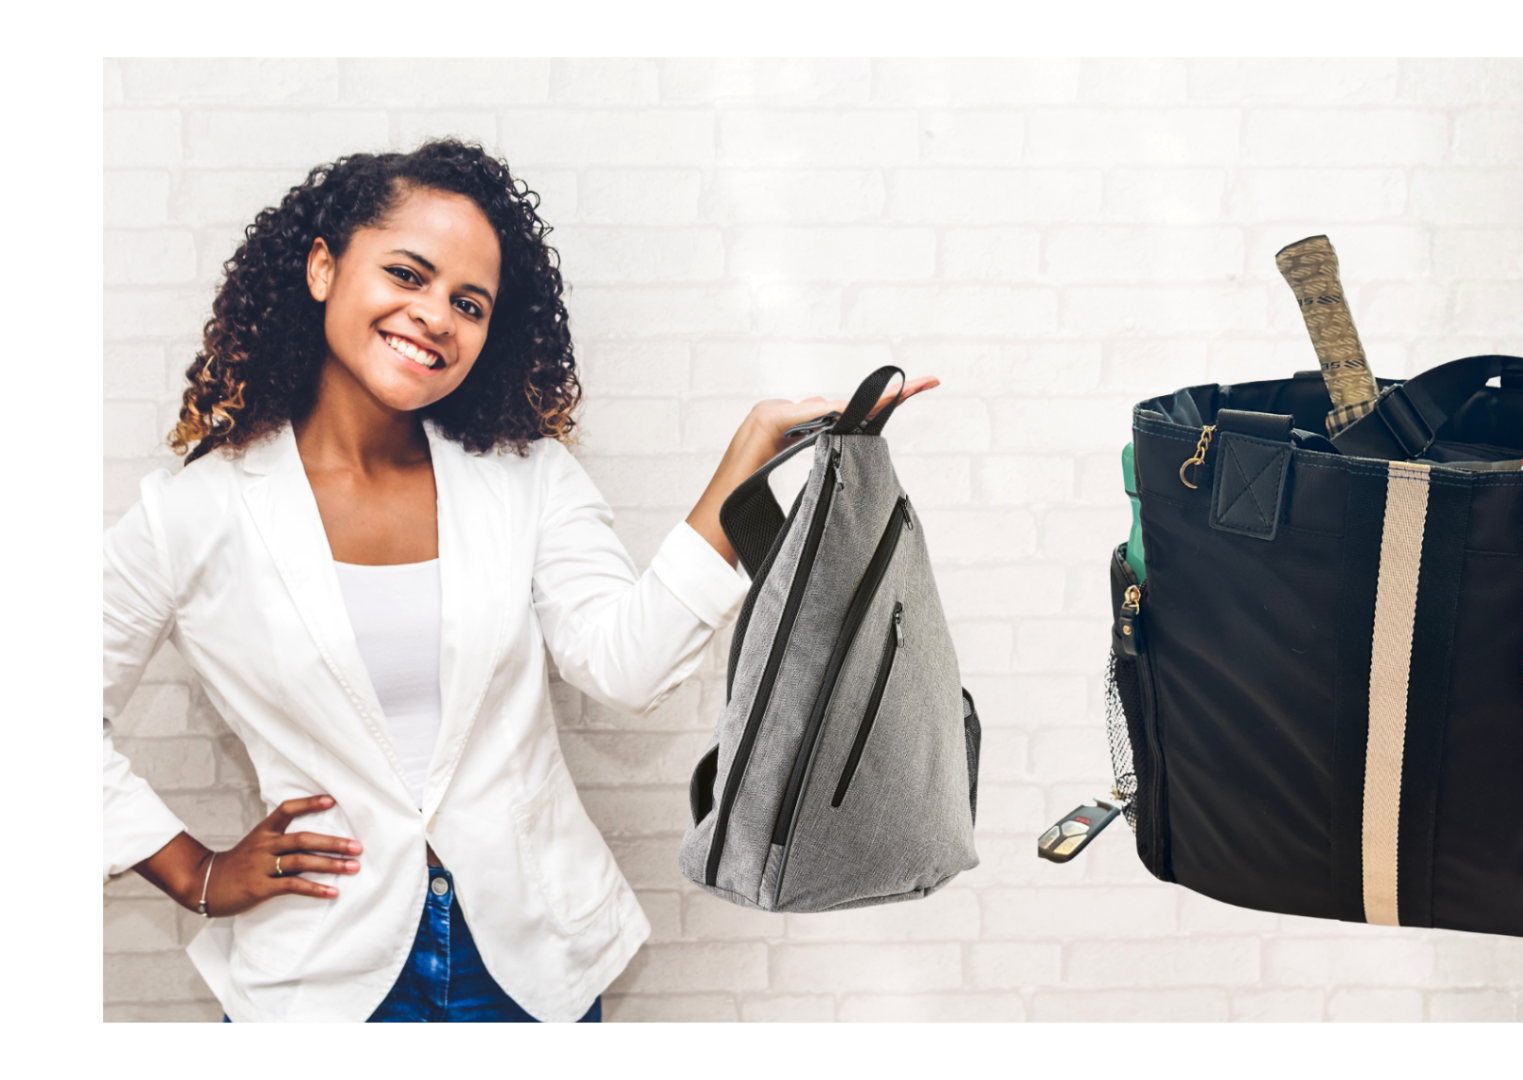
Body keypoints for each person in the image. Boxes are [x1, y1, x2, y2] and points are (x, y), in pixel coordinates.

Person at [102, 140, 934, 1022]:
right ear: (322, 268)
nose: (435, 316)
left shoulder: (527, 478)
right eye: (407, 274)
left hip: (528, 966)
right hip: (318, 974)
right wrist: (194, 872)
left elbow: (627, 668)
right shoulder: (191, 512)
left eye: (469, 303)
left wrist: (748, 460)